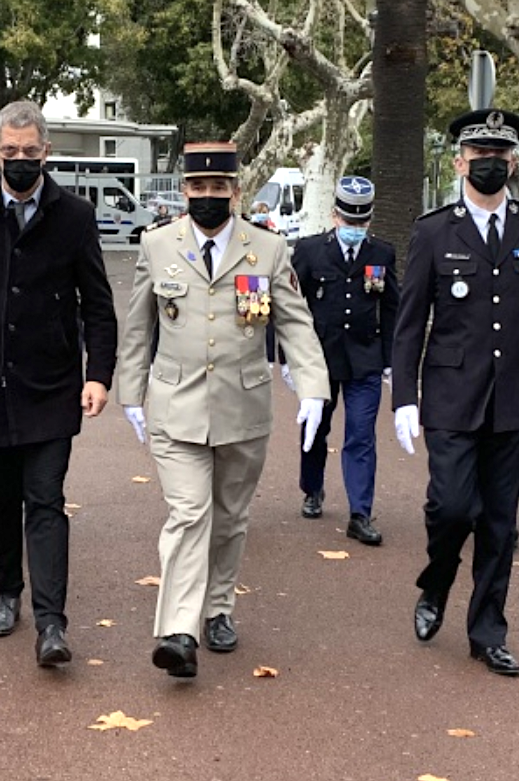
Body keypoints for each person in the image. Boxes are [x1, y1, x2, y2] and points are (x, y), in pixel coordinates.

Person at [116, 141, 329, 678]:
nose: (208, 196)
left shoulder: (270, 250)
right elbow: (140, 326)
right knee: (190, 514)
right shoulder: (157, 244)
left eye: (218, 188)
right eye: (198, 187)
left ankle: (218, 610)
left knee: (230, 519)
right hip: (175, 405)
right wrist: (130, 391)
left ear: (236, 192)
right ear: (185, 190)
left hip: (243, 406)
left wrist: (313, 387)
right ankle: (179, 632)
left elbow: (295, 323)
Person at [393, 108, 519, 677]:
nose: (490, 165)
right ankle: (436, 584)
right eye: (480, 157)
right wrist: (404, 398)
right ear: (459, 162)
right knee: (450, 507)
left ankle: (488, 631)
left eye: (501, 156)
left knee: (500, 521)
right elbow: (409, 323)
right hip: (450, 394)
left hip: (516, 397)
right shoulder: (432, 230)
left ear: (513, 161)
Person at [0, 101, 118, 667]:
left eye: (30, 152)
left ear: (47, 152)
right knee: (0, 500)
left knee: (45, 500)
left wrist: (98, 374)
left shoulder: (75, 214)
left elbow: (99, 306)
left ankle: (51, 623)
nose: (20, 161)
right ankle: (5, 591)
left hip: (53, 384)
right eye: (10, 152)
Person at [285, 176, 398, 545]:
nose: (354, 229)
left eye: (361, 223)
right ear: (335, 216)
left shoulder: (382, 253)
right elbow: (290, 306)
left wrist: (392, 359)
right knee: (316, 429)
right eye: (349, 222)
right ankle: (312, 488)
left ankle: (360, 512)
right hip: (320, 358)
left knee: (362, 435)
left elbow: (392, 306)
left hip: (365, 358)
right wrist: (288, 358)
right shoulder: (309, 250)